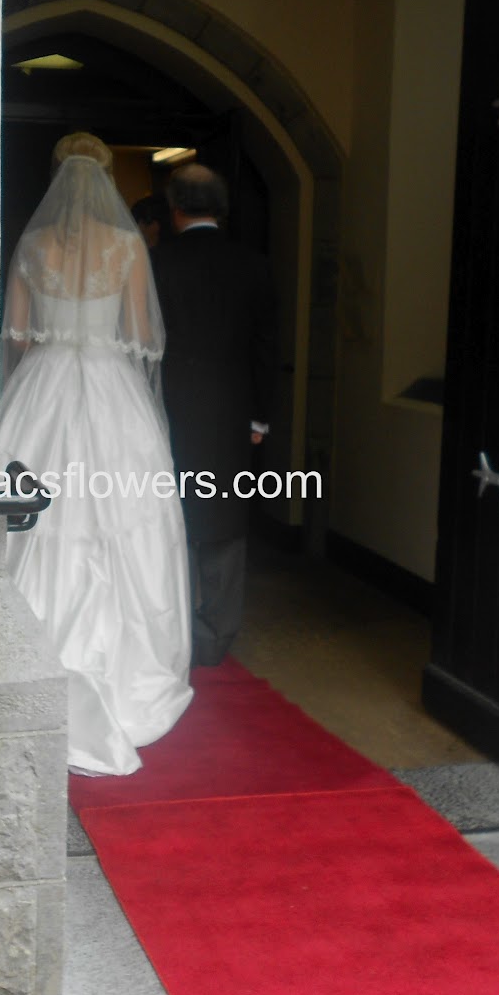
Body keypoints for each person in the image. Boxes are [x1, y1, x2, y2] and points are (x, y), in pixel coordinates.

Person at [0, 132, 194, 776]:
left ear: (56, 176)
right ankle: (124, 670)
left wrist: (55, 357)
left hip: (44, 384)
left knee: (38, 515)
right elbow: (141, 334)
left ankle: (31, 655)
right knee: (123, 520)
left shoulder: (32, 245)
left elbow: (19, 337)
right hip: (111, 386)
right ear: (107, 180)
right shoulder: (128, 244)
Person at [152, 163, 277, 668]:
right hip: (231, 410)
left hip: (169, 406)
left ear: (174, 207)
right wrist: (261, 419)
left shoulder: (155, 262)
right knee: (225, 519)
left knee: (172, 516)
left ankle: (176, 627)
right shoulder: (253, 264)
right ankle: (217, 634)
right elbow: (266, 349)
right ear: (220, 208)